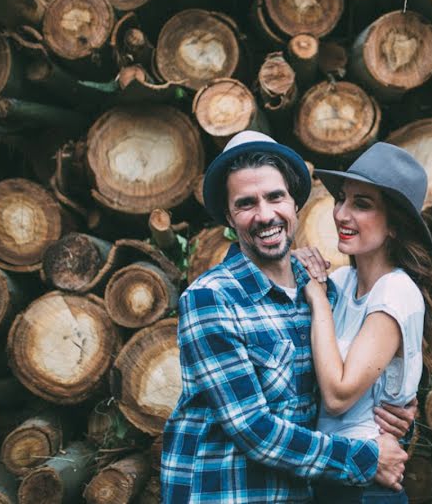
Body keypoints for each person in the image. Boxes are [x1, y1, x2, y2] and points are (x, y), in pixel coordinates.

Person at [161, 131, 415, 504]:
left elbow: (352, 377)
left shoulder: (322, 294)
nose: (265, 215)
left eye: (275, 197)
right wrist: (366, 458)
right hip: (224, 493)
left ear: (295, 202)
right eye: (246, 204)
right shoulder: (211, 299)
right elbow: (254, 430)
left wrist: (398, 409)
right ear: (230, 217)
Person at [293, 142, 432, 504]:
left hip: (365, 487)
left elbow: (337, 395)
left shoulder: (395, 292)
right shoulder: (344, 285)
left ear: (395, 225)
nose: (342, 214)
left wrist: (316, 297)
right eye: (342, 199)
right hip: (331, 475)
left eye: (362, 204)